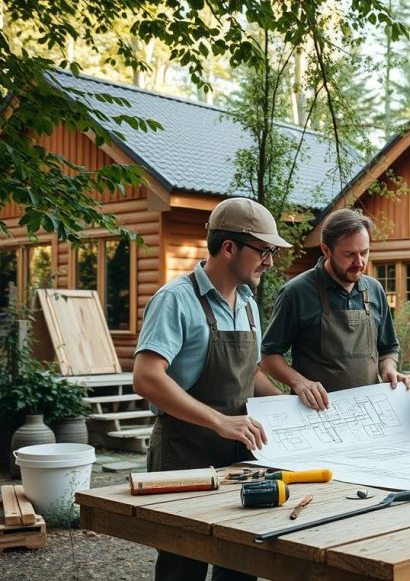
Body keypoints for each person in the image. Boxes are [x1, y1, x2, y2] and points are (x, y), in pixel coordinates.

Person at [132, 197, 291, 581]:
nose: (270, 260)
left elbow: (247, 372)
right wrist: (220, 420)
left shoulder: (248, 303)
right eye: (264, 250)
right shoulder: (176, 300)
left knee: (240, 564)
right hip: (184, 455)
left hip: (240, 459)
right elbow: (147, 377)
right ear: (229, 247)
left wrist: (289, 406)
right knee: (182, 566)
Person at [262, 208, 409, 410]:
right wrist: (299, 382)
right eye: (349, 254)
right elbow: (269, 356)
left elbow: (388, 349)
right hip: (316, 413)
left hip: (370, 412)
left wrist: (389, 370)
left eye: (364, 252)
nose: (359, 263)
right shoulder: (296, 292)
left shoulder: (374, 290)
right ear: (325, 250)